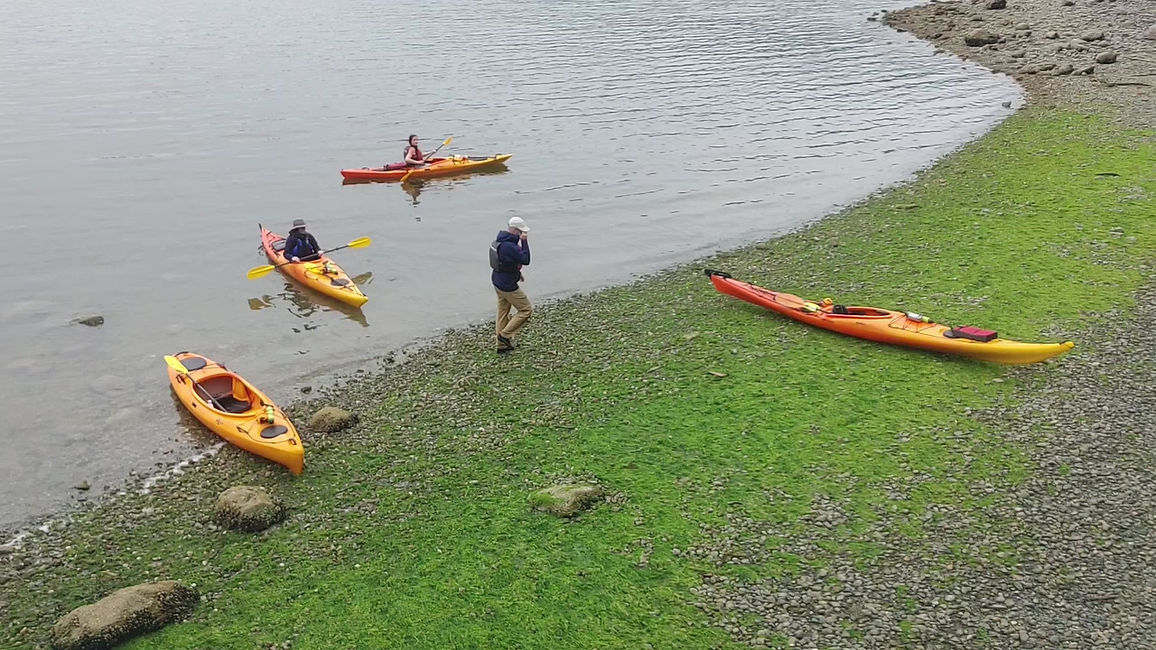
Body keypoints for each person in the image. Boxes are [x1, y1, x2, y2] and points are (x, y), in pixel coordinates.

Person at [490, 216, 532, 353]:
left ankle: (501, 345)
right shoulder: (509, 246)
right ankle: (504, 336)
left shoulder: (500, 242)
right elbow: (526, 259)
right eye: (520, 232)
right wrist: (525, 242)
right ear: (514, 230)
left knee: (503, 312)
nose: (522, 235)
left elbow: (506, 263)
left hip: (497, 281)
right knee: (526, 310)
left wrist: (517, 273)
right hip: (507, 285)